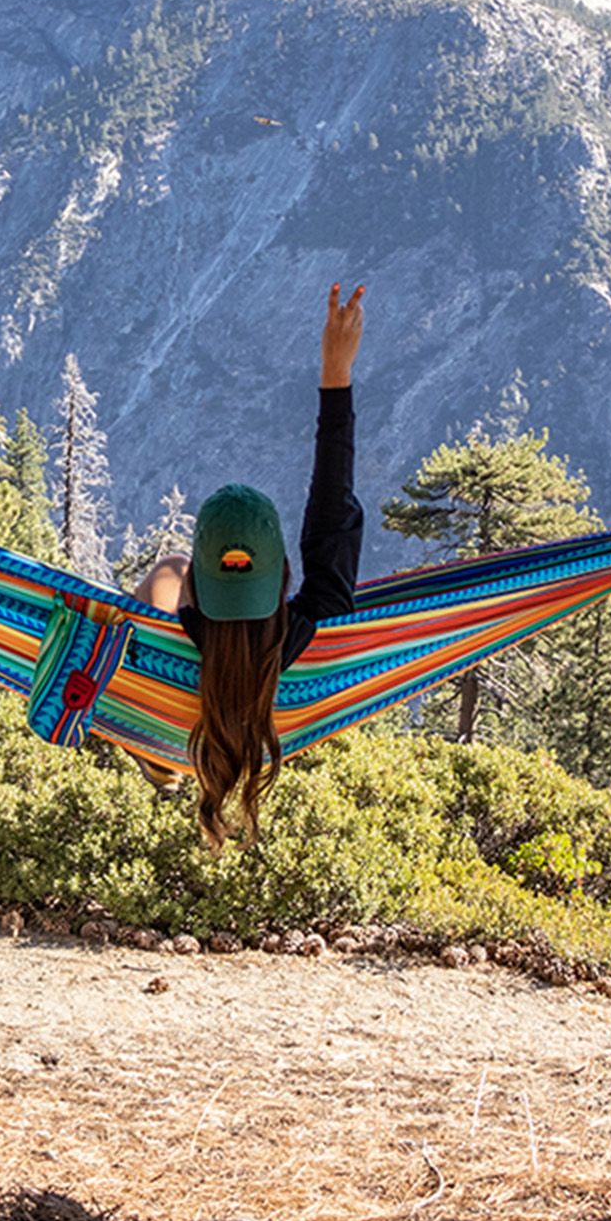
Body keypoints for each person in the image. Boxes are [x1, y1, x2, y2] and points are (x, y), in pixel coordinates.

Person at [132, 282, 365, 848]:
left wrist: (174, 577)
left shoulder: (166, 643)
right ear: (285, 572)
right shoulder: (319, 627)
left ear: (198, 586)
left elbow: (169, 587)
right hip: (264, 711)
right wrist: (335, 372)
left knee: (161, 570)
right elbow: (332, 509)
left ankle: (157, 765)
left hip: (171, 721)